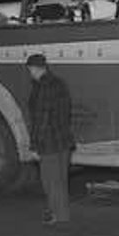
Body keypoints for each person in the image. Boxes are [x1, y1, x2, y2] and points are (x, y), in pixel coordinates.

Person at [25, 53, 74, 226]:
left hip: (49, 142)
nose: (30, 74)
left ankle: (57, 215)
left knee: (50, 181)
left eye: (30, 70)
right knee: (61, 180)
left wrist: (34, 145)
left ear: (34, 69)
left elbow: (41, 119)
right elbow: (67, 111)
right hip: (64, 140)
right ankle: (63, 213)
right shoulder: (60, 83)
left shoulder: (42, 87)